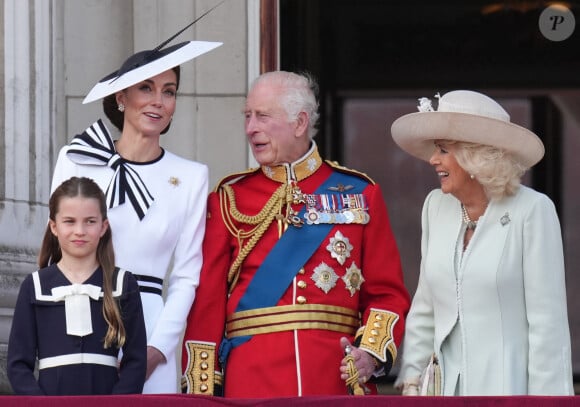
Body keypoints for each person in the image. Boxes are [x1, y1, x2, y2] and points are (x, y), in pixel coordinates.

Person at [181, 71, 410, 398]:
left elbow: (387, 294)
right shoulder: (228, 199)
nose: (250, 128)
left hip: (333, 379)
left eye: (262, 116)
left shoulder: (360, 193)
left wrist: (369, 355)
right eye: (247, 116)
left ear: (300, 123)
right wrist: (202, 393)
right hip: (250, 382)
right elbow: (207, 308)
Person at [50, 38, 222, 393]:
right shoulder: (76, 159)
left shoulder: (191, 176)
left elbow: (187, 275)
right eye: (146, 87)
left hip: (149, 326)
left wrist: (156, 351)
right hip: (78, 316)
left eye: (169, 91)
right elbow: (54, 252)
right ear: (120, 97)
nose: (158, 101)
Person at [390, 90, 574, 396]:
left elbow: (547, 325)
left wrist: (546, 402)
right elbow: (425, 306)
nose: (434, 160)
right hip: (441, 392)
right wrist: (412, 381)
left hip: (507, 390)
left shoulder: (532, 210)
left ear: (477, 157)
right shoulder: (436, 206)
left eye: (444, 149)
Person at [7, 176, 146, 395]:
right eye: (69, 221)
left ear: (103, 226)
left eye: (90, 221)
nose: (79, 231)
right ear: (54, 226)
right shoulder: (34, 286)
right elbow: (17, 365)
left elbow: (136, 362)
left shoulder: (123, 284)